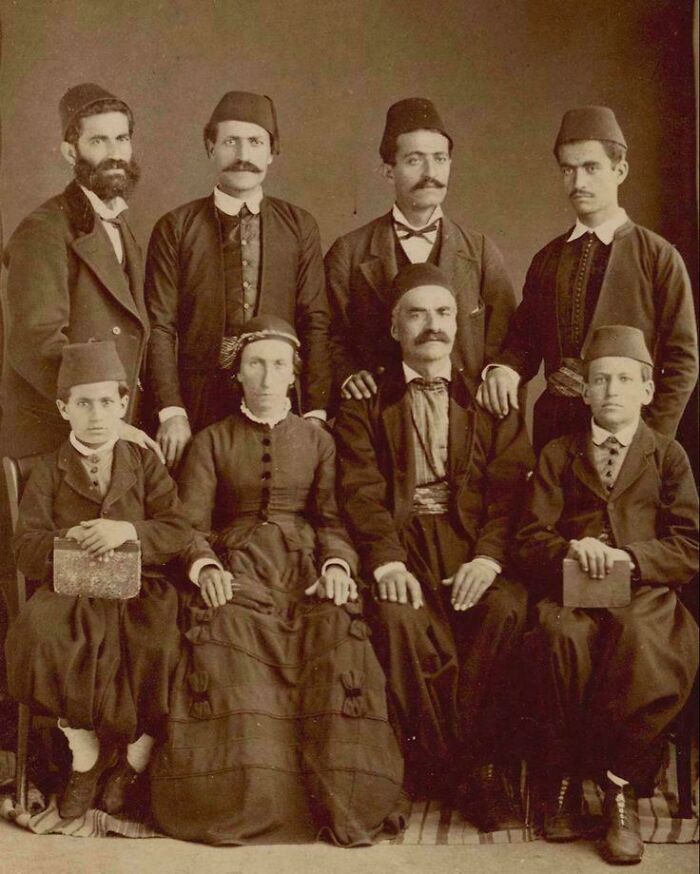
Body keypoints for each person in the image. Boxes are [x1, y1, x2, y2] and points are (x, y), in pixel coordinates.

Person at [149, 315, 404, 845]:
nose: (267, 377)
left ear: (294, 376)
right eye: (255, 365)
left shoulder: (319, 440)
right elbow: (189, 525)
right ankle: (240, 798)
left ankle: (344, 799)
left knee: (334, 626)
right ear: (237, 375)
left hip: (305, 565)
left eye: (278, 366)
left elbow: (333, 520)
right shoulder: (212, 441)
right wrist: (206, 567)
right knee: (227, 630)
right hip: (238, 565)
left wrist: (336, 566)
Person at [334, 263, 534, 832]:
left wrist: (489, 559)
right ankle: (468, 773)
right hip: (402, 540)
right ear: (395, 327)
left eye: (444, 313)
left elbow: (508, 493)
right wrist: (387, 559)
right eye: (417, 314)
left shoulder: (491, 399)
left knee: (505, 609)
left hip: (471, 540)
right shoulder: (366, 399)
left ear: (459, 324)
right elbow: (360, 492)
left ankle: (449, 766)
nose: (433, 326)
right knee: (397, 618)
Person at [516, 325, 698, 865]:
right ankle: (568, 777)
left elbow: (689, 544)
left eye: (625, 379)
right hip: (574, 593)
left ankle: (619, 784)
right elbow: (529, 539)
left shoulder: (667, 457)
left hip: (644, 596)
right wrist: (572, 548)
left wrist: (633, 558)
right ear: (586, 392)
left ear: (647, 391)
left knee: (643, 642)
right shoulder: (557, 454)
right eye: (601, 379)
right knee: (560, 639)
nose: (612, 390)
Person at [4, 341, 192, 819]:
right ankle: (85, 760)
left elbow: (175, 528)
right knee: (42, 636)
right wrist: (70, 540)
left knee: (162, 644)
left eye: (107, 402)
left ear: (123, 406)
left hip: (138, 588)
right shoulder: (48, 470)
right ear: (64, 409)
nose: (96, 414)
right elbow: (26, 546)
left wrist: (126, 530)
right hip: (72, 590)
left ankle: (132, 762)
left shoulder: (144, 462)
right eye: (83, 403)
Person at [477, 106, 698, 452]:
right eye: (568, 170)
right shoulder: (547, 259)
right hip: (556, 438)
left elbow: (683, 361)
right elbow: (525, 341)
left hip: (631, 440)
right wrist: (505, 369)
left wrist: (648, 442)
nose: (578, 183)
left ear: (620, 170)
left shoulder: (658, 257)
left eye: (591, 168)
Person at [145, 91, 331, 469]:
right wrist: (171, 410)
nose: (243, 154)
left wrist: (315, 411)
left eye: (256, 142)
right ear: (210, 147)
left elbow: (315, 320)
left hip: (277, 400)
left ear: (271, 153)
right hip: (196, 404)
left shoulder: (299, 226)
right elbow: (159, 326)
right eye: (230, 141)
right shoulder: (176, 228)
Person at [325, 97, 516, 406]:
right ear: (389, 171)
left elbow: (511, 337)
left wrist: (501, 371)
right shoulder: (349, 253)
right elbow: (326, 335)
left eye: (440, 159)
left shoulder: (480, 252)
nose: (431, 172)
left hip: (463, 417)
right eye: (415, 160)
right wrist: (347, 373)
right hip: (377, 418)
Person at [0, 83, 155, 459]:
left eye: (122, 138)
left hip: (107, 433)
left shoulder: (117, 223)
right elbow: (37, 342)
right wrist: (107, 420)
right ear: (71, 152)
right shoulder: (44, 229)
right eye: (99, 141)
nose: (115, 154)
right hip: (60, 439)